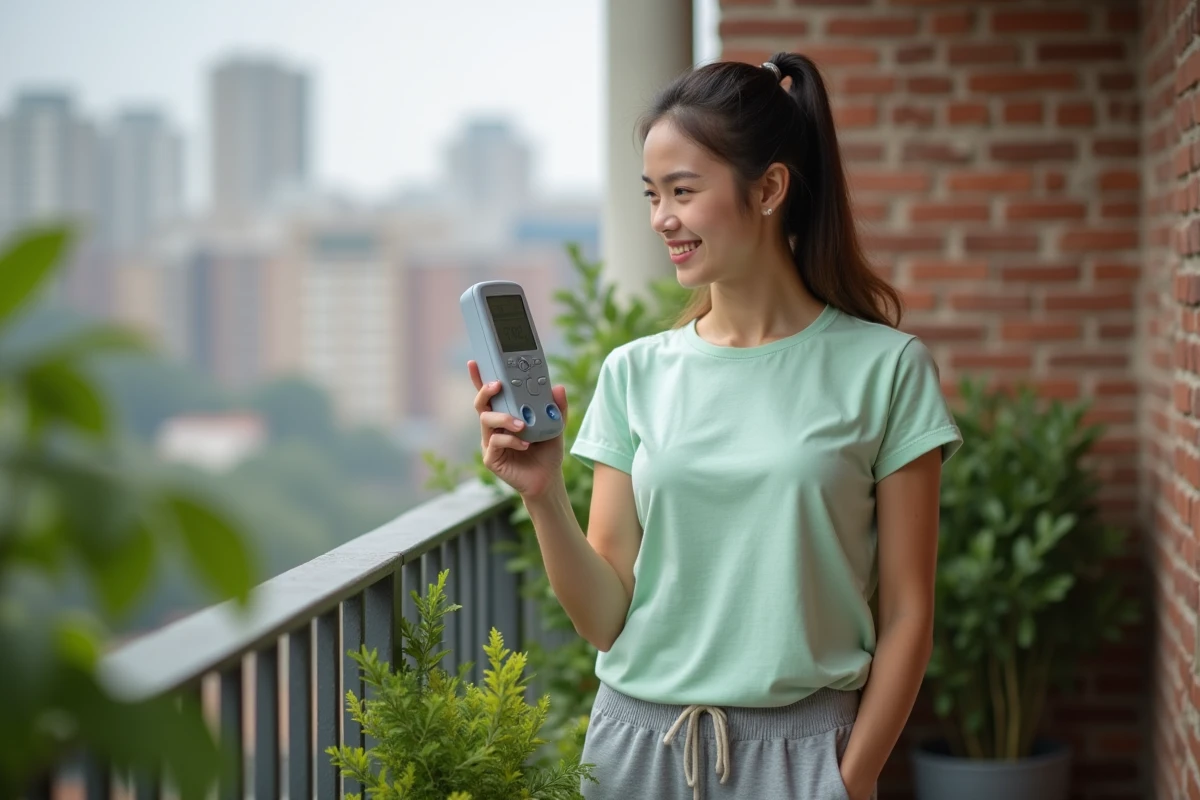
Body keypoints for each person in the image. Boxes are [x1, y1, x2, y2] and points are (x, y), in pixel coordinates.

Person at [467, 51, 962, 800]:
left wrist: (850, 779)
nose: (663, 218)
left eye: (683, 191)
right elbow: (606, 617)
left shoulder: (887, 369)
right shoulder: (634, 373)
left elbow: (909, 612)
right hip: (636, 751)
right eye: (652, 195)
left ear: (768, 189)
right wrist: (541, 493)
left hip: (805, 759)